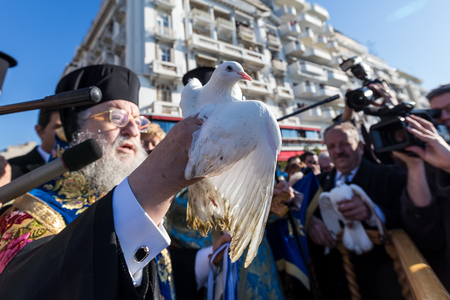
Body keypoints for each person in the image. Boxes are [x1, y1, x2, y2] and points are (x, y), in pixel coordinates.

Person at [0, 65, 202, 299]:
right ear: (75, 131)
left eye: (139, 120)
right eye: (117, 117)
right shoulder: (26, 215)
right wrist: (153, 185)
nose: (133, 130)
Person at [308, 121, 407, 300]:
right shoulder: (316, 184)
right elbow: (296, 211)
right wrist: (310, 222)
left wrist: (372, 213)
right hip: (336, 285)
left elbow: (412, 222)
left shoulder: (391, 178)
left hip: (384, 285)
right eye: (331, 146)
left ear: (360, 147)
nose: (338, 151)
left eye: (345, 143)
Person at [392, 84, 450, 291]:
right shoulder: (434, 161)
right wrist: (414, 164)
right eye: (435, 113)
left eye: (449, 109)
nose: (443, 117)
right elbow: (428, 235)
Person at [7, 108, 61, 180]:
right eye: (59, 128)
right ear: (40, 131)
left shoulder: (80, 167)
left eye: (73, 127)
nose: (68, 133)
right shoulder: (10, 170)